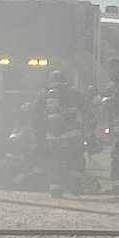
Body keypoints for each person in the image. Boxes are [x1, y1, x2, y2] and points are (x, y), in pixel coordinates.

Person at [34, 69, 91, 198]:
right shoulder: (74, 92)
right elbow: (87, 109)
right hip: (74, 136)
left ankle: (55, 190)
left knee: (55, 162)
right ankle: (75, 184)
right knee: (76, 160)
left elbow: (36, 115)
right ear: (64, 80)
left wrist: (39, 130)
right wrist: (90, 126)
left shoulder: (45, 94)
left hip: (54, 137)